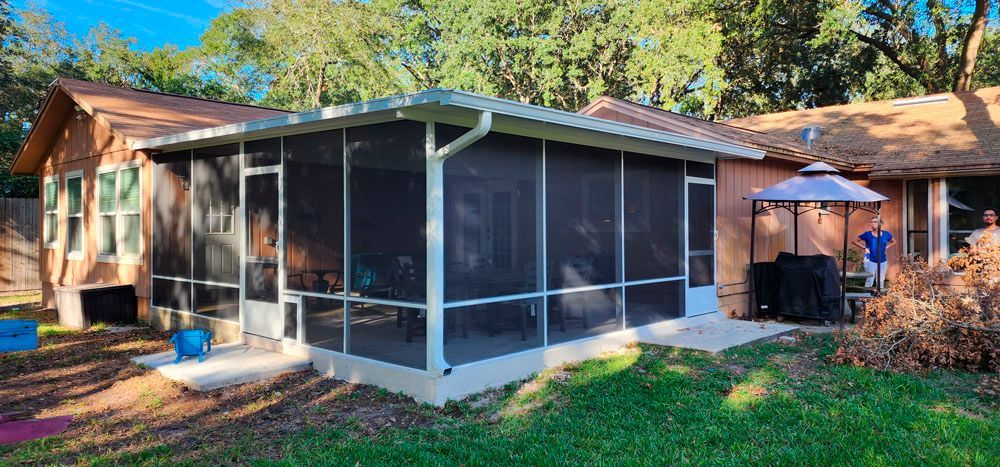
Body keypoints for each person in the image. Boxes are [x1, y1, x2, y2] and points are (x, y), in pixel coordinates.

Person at [851, 216, 896, 289]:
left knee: (881, 281)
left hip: (882, 260)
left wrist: (887, 247)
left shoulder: (886, 234)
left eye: (875, 222)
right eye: (871, 222)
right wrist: (864, 248)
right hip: (870, 259)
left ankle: (879, 298)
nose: (873, 223)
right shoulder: (867, 234)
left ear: (880, 224)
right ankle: (866, 298)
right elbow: (854, 241)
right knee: (869, 280)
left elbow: (894, 241)